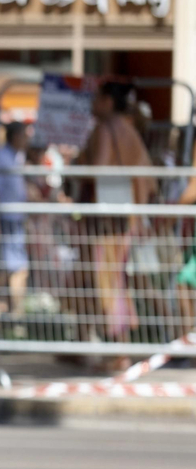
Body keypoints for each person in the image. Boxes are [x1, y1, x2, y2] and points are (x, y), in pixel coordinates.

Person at [80, 80, 154, 353]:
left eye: (97, 98)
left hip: (110, 217)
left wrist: (78, 164)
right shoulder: (129, 130)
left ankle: (120, 350)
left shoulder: (106, 129)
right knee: (111, 279)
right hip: (128, 215)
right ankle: (87, 342)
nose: (92, 103)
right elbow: (147, 178)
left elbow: (97, 169)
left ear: (108, 101)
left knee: (109, 281)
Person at [0, 121, 31, 317]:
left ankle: (11, 311)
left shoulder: (17, 157)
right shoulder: (1, 157)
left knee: (15, 268)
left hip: (16, 219)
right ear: (14, 136)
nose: (27, 139)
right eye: (24, 134)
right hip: (5, 219)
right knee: (13, 268)